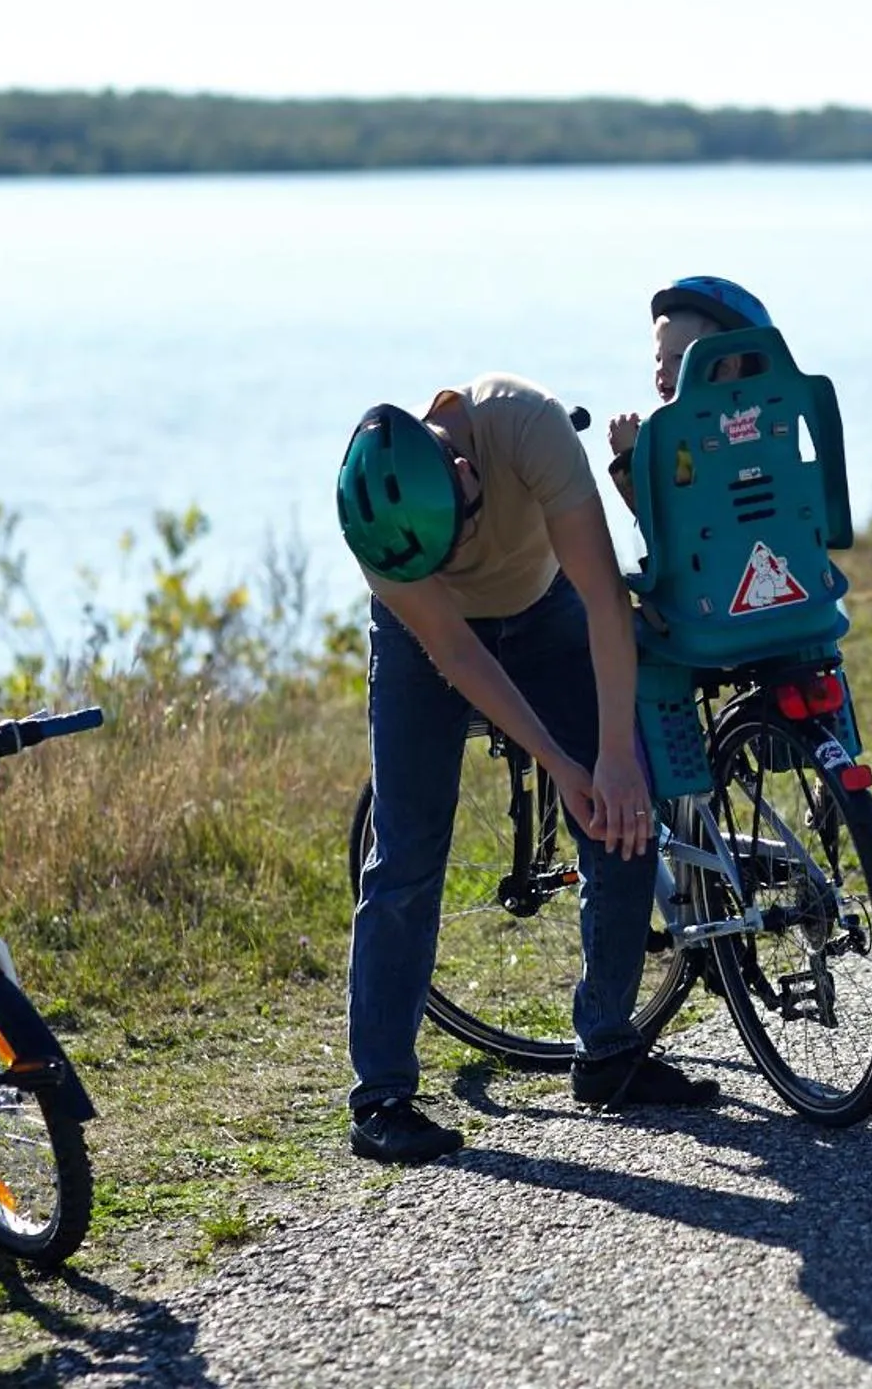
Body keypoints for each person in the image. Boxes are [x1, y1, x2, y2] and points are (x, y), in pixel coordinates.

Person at [335, 375, 719, 1165]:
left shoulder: (528, 426)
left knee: (623, 809)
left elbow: (606, 600)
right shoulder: (378, 527)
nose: (464, 553)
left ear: (464, 470)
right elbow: (457, 654)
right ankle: (381, 1098)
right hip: (427, 644)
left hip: (549, 609)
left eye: (467, 527)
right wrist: (559, 764)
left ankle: (609, 1048)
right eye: (449, 553)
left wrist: (612, 760)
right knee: (405, 852)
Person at [605, 275, 775, 514]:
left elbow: (671, 522)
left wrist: (628, 458)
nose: (661, 370)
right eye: (658, 358)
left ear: (727, 366)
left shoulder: (686, 442)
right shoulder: (774, 425)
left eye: (677, 358)